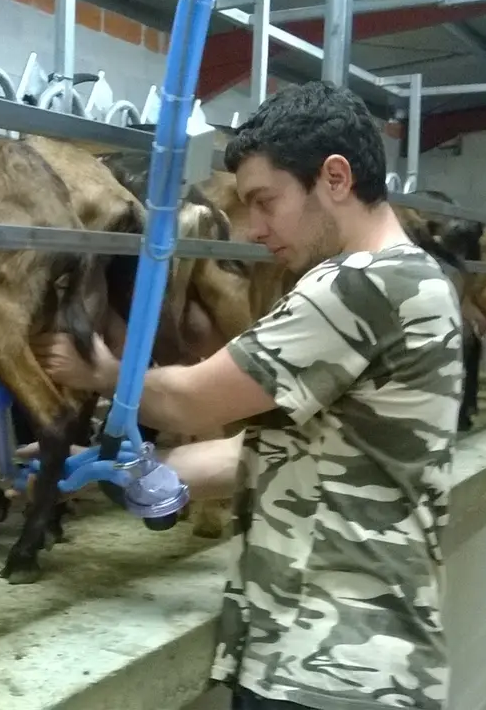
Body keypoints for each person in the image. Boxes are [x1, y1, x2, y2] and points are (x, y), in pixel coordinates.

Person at [28, 81, 463, 710]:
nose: (254, 228)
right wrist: (108, 473)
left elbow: (192, 404)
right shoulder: (418, 279)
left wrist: (102, 373)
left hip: (327, 670)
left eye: (266, 201)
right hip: (358, 660)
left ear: (335, 179)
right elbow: (280, 455)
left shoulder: (362, 286)